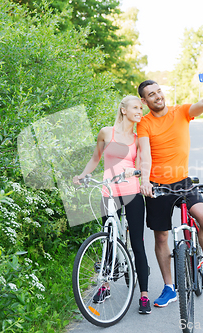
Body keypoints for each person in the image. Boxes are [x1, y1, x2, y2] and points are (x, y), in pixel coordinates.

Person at [137, 71, 203, 308]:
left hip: (183, 182)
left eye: (158, 92)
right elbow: (145, 155)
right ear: (144, 101)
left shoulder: (181, 112)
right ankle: (169, 287)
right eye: (151, 95)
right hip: (157, 184)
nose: (157, 97)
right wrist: (145, 180)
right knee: (161, 235)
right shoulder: (144, 123)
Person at [73, 95, 151, 314]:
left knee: (137, 243)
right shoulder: (107, 133)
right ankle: (105, 285)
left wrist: (137, 173)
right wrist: (82, 175)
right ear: (124, 110)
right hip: (108, 192)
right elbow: (96, 158)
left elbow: (142, 163)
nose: (140, 110)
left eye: (141, 108)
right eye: (136, 107)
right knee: (109, 240)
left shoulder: (137, 138)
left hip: (132, 193)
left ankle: (144, 295)